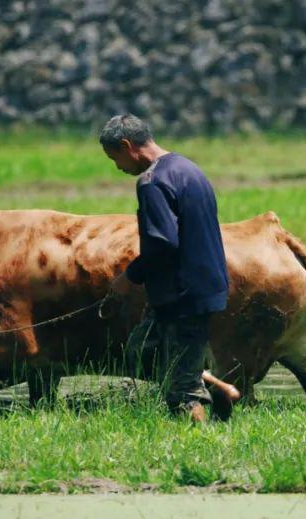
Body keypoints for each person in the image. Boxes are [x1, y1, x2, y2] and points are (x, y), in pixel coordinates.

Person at [99, 114, 239, 422]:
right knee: (139, 351)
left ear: (127, 146)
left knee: (181, 395)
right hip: (200, 286)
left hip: (182, 295)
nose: (119, 168)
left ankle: (199, 449)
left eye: (116, 158)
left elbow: (162, 244)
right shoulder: (187, 168)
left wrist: (129, 277)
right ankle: (217, 389)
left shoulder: (152, 182)